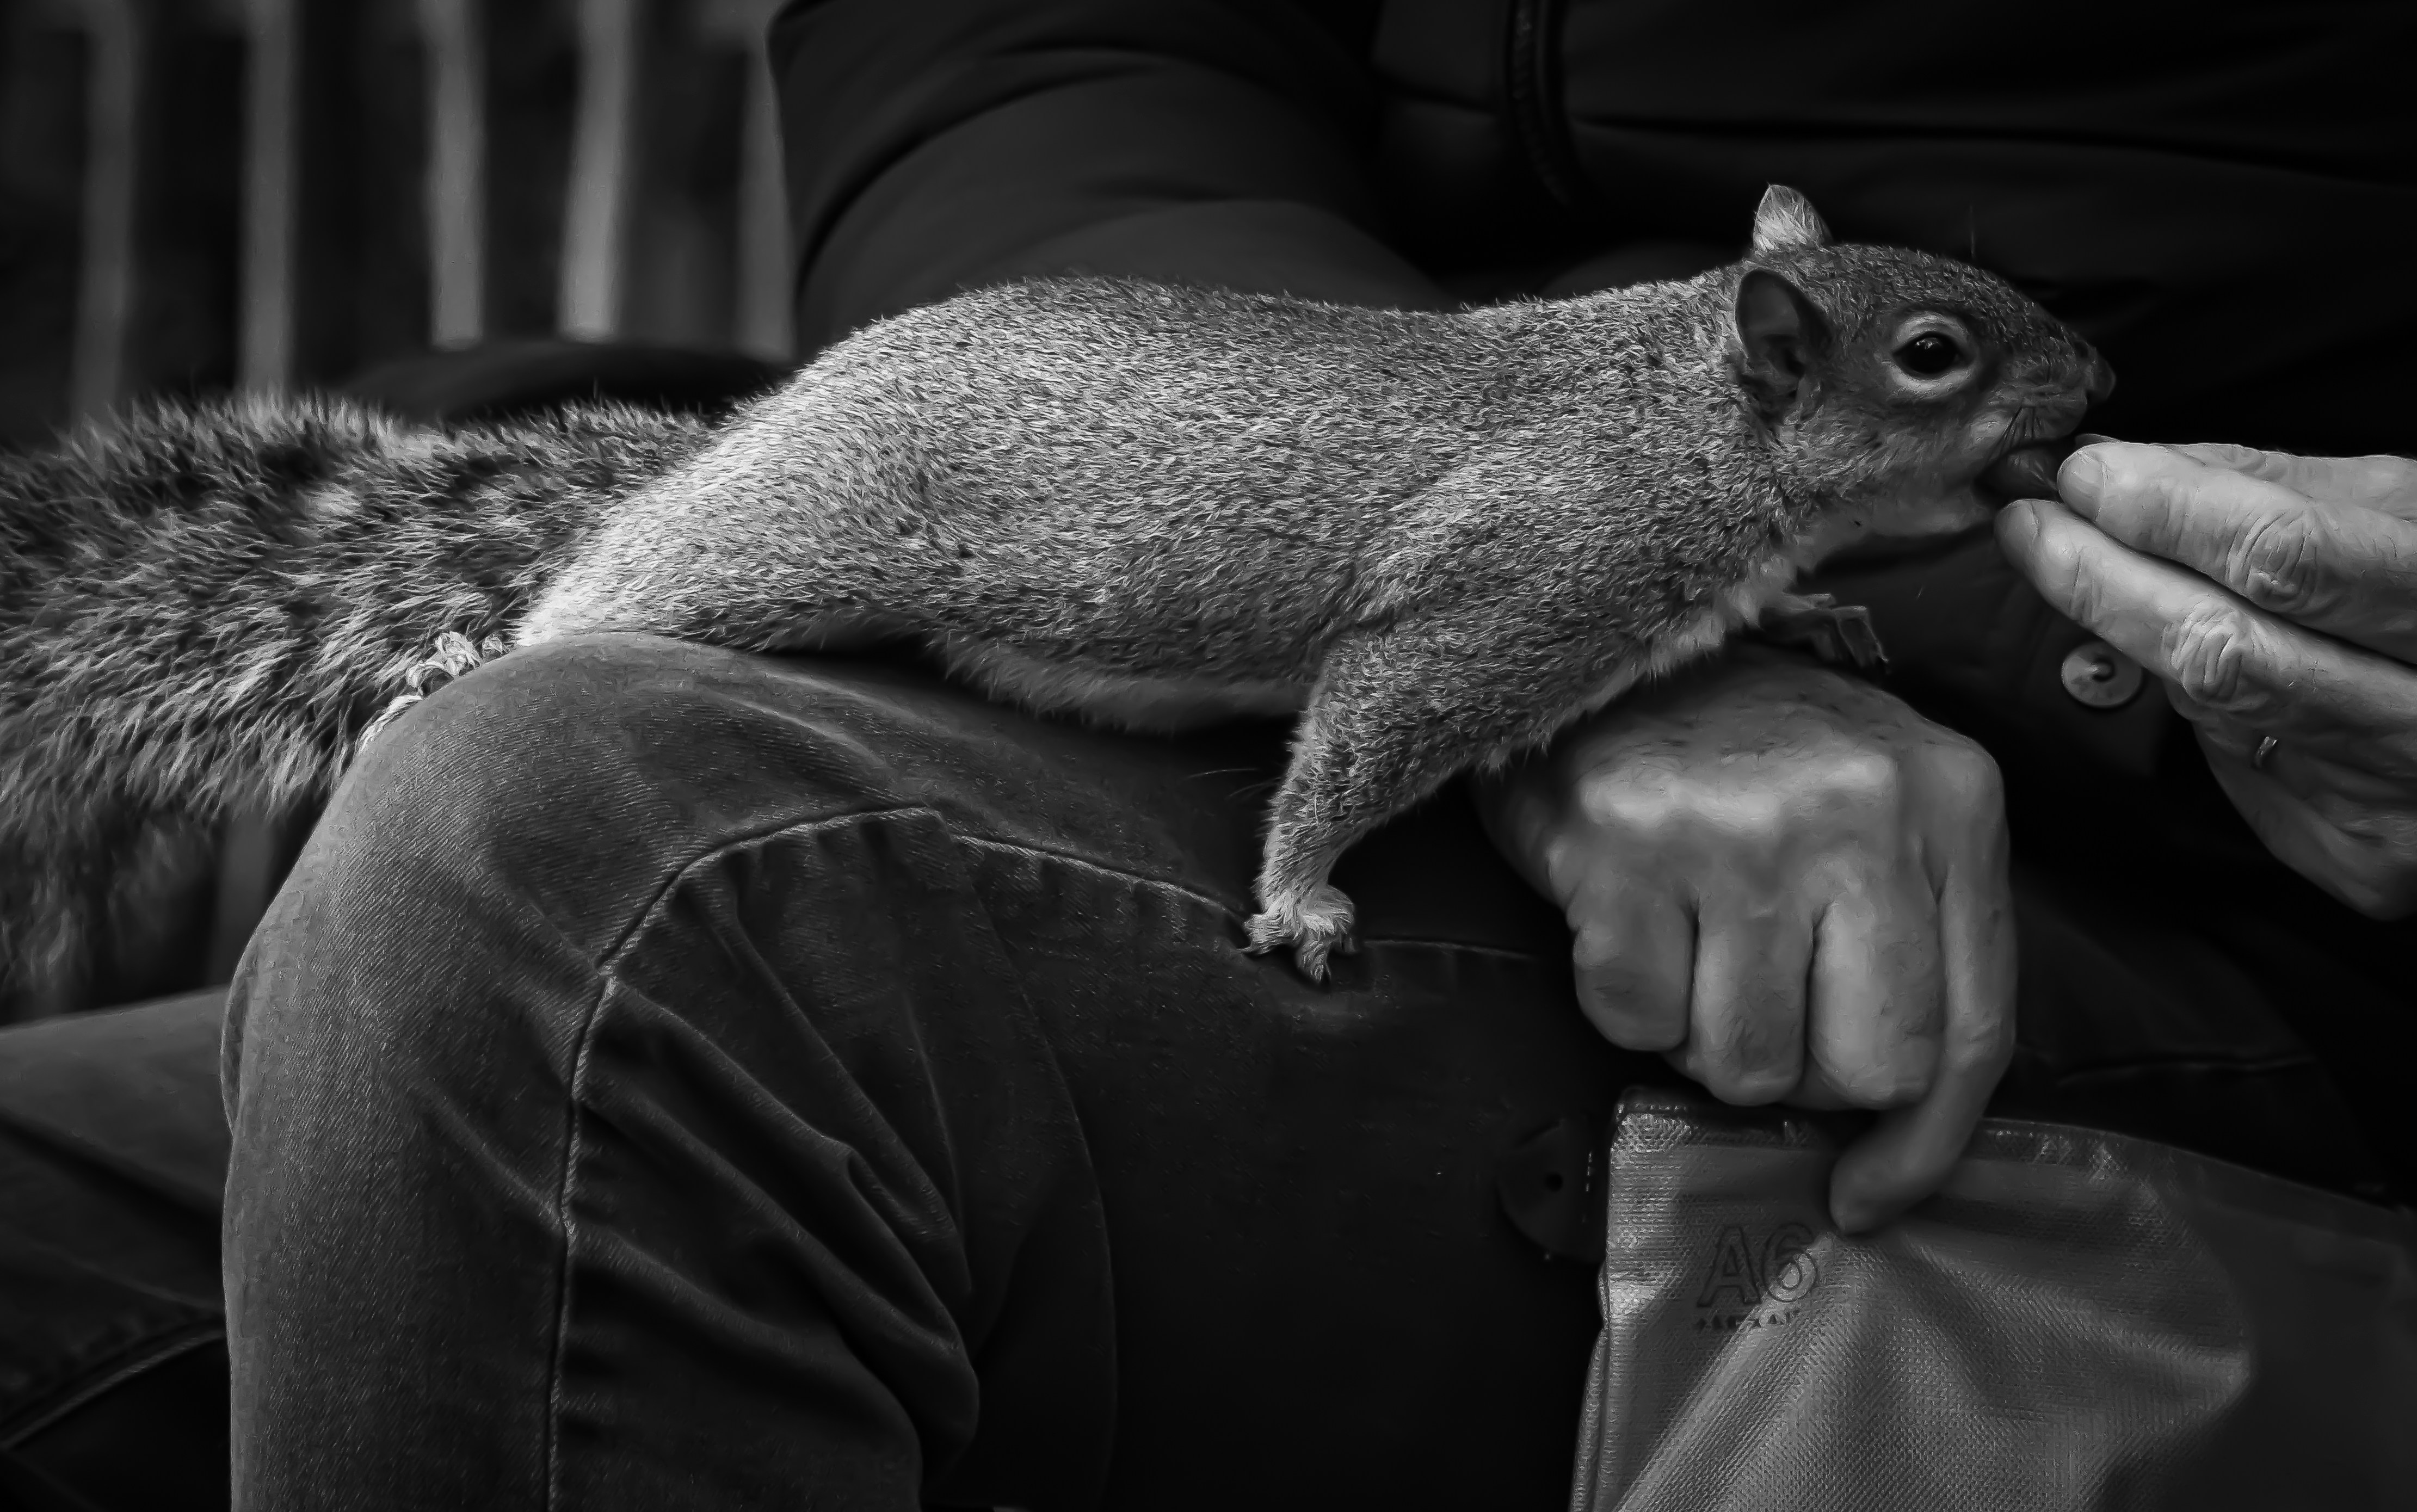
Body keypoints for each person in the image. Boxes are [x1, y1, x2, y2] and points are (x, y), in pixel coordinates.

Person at [5, 1, 2413, 1508]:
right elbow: (1032, 45)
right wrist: (1551, 623)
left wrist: (2016, 645)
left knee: (586, 871)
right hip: (1397, 536)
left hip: (2214, 911)